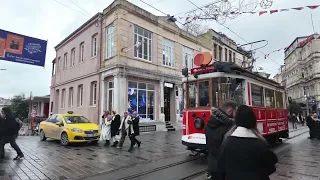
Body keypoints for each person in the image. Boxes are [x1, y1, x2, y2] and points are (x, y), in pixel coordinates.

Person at [218, 105, 278, 180]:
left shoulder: (226, 142)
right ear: (253, 122)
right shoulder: (261, 144)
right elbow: (271, 168)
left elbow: (221, 167)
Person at [205, 101, 238, 180]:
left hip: (212, 165)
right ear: (230, 111)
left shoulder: (208, 124)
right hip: (225, 169)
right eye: (235, 112)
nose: (236, 115)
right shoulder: (230, 127)